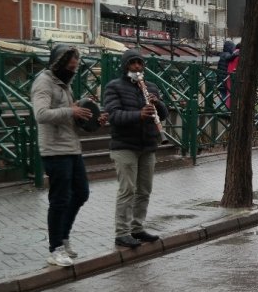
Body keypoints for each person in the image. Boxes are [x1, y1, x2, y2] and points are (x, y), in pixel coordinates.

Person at [31, 44, 105, 267]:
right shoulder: (44, 82)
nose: (73, 70)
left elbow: (70, 117)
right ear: (58, 63)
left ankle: (64, 236)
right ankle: (55, 249)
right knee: (59, 199)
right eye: (70, 66)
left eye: (76, 67)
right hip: (54, 150)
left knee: (81, 193)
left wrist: (89, 119)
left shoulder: (65, 85)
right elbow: (41, 114)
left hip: (71, 147)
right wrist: (71, 111)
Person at [104, 49, 169, 249]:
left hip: (147, 145)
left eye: (140, 63)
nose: (137, 67)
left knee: (144, 190)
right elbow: (114, 115)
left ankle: (137, 227)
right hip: (125, 145)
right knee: (127, 190)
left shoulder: (151, 87)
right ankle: (121, 233)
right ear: (125, 66)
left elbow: (164, 114)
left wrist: (158, 103)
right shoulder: (113, 87)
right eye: (133, 63)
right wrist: (138, 115)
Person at [216, 40, 236, 107]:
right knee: (225, 98)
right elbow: (229, 58)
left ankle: (219, 109)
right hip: (223, 80)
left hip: (221, 80)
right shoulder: (226, 54)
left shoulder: (222, 54)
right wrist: (236, 54)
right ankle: (216, 109)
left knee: (224, 97)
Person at [225, 43, 241, 109]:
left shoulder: (233, 53)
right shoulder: (240, 53)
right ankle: (235, 108)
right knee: (237, 92)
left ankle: (228, 108)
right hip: (236, 75)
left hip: (229, 74)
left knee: (229, 92)